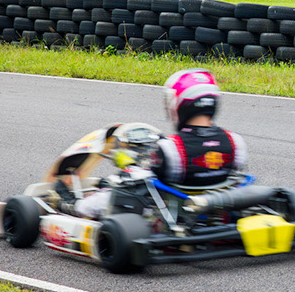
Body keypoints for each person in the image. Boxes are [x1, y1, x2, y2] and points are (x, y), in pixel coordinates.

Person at [70, 69, 248, 218]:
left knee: (118, 186)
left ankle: (77, 207)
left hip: (178, 213)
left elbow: (148, 180)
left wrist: (128, 166)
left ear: (180, 104)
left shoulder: (171, 147)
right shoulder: (235, 142)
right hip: (218, 210)